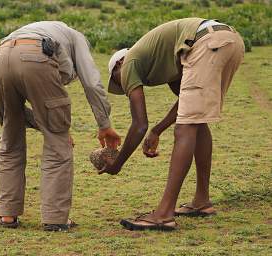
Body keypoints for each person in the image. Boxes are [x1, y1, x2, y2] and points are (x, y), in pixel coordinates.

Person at [100, 18, 245, 231]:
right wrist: (158, 130)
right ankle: (201, 201)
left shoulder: (129, 61)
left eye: (117, 80)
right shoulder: (164, 61)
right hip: (229, 41)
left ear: (119, 64)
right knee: (197, 121)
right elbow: (184, 106)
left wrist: (117, 164)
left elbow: (139, 124)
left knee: (185, 127)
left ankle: (163, 214)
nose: (123, 86)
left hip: (206, 42)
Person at [0, 21, 121, 231]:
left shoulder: (36, 30)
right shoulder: (77, 38)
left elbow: (9, 113)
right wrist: (104, 124)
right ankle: (55, 219)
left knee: (10, 142)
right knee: (57, 145)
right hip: (37, 57)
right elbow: (92, 83)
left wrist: (46, 124)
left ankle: (7, 216)